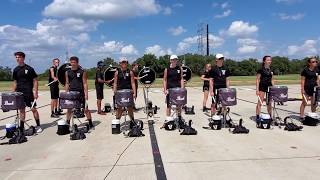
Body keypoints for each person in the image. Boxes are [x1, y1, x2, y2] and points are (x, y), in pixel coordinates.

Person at [12, 51, 42, 133]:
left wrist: (36, 92)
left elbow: (35, 81)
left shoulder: (29, 69)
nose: (17, 59)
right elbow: (15, 82)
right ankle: (21, 128)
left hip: (28, 92)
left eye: (19, 57)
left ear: (23, 58)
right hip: (19, 93)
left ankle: (38, 125)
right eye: (16, 57)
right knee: (22, 110)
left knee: (33, 109)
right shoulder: (15, 70)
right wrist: (13, 92)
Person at [65, 56, 94, 128]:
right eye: (71, 62)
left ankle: (90, 123)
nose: (73, 64)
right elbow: (67, 83)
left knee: (86, 109)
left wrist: (86, 94)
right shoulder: (67, 72)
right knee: (69, 109)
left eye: (74, 62)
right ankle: (68, 124)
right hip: (71, 93)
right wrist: (66, 93)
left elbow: (85, 83)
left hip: (81, 93)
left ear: (77, 63)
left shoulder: (82, 71)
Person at [113, 57, 136, 126]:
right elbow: (115, 83)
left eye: (125, 62)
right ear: (120, 63)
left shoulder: (130, 72)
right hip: (120, 92)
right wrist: (115, 91)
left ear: (127, 63)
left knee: (130, 107)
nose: (124, 63)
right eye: (122, 62)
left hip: (128, 92)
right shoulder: (117, 72)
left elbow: (133, 83)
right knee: (119, 108)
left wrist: (134, 92)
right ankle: (117, 121)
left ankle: (132, 121)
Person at [162, 55, 184, 126]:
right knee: (169, 105)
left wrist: (182, 89)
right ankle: (168, 119)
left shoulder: (179, 68)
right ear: (170, 60)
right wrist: (165, 89)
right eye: (173, 60)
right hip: (170, 90)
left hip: (178, 90)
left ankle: (179, 118)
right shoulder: (167, 69)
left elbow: (181, 79)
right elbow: (164, 80)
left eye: (175, 60)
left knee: (179, 105)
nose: (174, 61)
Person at [255, 56, 274, 121]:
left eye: (270, 60)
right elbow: (257, 80)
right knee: (260, 102)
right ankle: (257, 116)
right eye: (268, 60)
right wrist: (257, 90)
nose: (269, 61)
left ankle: (270, 116)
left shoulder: (271, 70)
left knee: (269, 103)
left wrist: (274, 88)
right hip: (262, 87)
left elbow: (272, 79)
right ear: (264, 61)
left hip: (269, 87)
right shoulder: (260, 70)